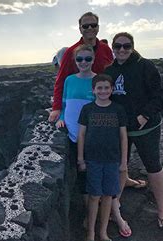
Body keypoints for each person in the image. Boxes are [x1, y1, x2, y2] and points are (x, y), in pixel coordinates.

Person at [48, 11, 147, 190]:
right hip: (89, 111)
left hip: (109, 103)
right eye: (85, 26)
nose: (90, 29)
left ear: (98, 27)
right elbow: (61, 81)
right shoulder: (73, 52)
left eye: (93, 25)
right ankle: (97, 189)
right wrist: (57, 109)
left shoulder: (105, 49)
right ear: (80, 28)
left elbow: (116, 70)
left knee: (114, 143)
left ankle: (122, 178)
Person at [104, 32, 163, 228]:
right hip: (122, 129)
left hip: (146, 127)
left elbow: (158, 97)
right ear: (113, 48)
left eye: (126, 46)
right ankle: (114, 205)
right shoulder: (110, 70)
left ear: (132, 46)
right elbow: (105, 96)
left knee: (152, 164)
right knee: (119, 165)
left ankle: (162, 207)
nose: (122, 50)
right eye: (117, 46)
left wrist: (144, 116)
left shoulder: (146, 66)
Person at [77, 74, 130, 241]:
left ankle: (103, 232)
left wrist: (123, 162)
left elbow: (123, 137)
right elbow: (82, 135)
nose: (103, 91)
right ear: (93, 90)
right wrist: (80, 159)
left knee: (108, 196)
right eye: (99, 88)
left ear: (112, 89)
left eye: (106, 88)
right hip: (92, 160)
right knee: (93, 196)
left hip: (112, 160)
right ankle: (90, 233)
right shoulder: (87, 109)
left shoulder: (118, 110)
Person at [55, 44, 96, 228]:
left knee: (91, 175)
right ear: (74, 61)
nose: (83, 62)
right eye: (80, 59)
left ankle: (94, 214)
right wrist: (61, 118)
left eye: (88, 59)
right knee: (81, 175)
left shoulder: (98, 81)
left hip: (91, 135)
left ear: (93, 60)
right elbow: (64, 103)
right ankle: (89, 212)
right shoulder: (69, 80)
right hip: (71, 133)